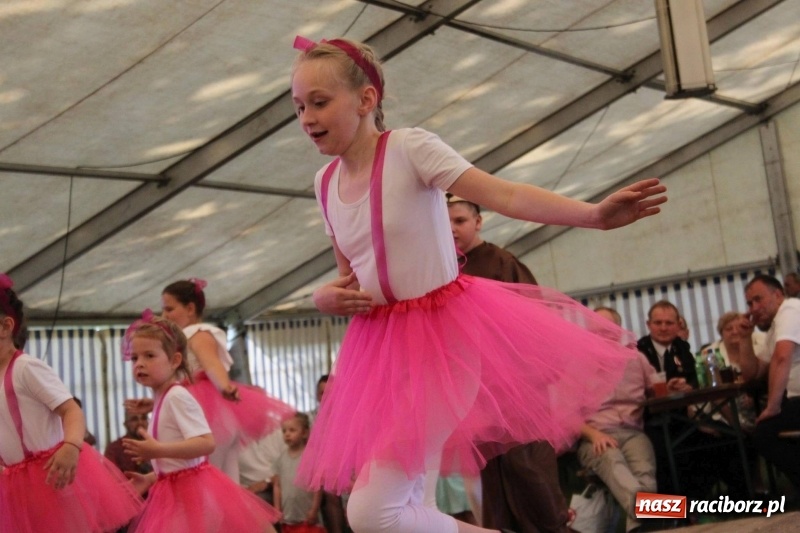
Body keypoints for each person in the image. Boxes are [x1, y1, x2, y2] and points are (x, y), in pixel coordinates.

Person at [290, 35, 666, 533]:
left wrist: (593, 215)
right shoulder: (324, 184)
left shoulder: (409, 148)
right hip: (380, 354)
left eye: (319, 102)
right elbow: (352, 280)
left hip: (443, 345)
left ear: (366, 99)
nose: (307, 118)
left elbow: (505, 193)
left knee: (372, 513)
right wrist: (323, 296)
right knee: (408, 509)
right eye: (298, 107)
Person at [448, 194, 572, 533]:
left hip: (519, 387)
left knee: (529, 472)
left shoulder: (503, 262)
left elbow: (536, 320)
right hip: (478, 391)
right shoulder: (445, 269)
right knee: (494, 479)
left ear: (478, 222)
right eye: (445, 222)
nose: (452, 229)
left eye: (459, 220)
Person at [0, 273, 143, 533]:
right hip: (14, 484)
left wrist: (71, 446)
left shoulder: (26, 368)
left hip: (52, 477)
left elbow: (71, 409)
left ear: (5, 327)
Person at [121, 311, 279, 533]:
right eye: (135, 358)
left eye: (149, 355)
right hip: (174, 492)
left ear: (175, 360)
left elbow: (206, 443)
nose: (140, 364)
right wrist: (151, 476)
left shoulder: (177, 396)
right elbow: (179, 463)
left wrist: (158, 450)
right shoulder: (162, 398)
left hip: (191, 496)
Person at [160, 278, 294, 481]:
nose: (164, 316)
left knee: (207, 479)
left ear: (190, 308)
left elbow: (212, 364)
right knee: (227, 481)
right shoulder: (188, 337)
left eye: (169, 309)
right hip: (216, 414)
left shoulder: (197, 334)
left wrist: (224, 387)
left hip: (207, 413)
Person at [580, 307, 658, 533]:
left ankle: (639, 526)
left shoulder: (637, 359)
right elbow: (565, 418)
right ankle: (657, 514)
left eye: (608, 328)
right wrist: (594, 435)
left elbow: (656, 388)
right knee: (613, 462)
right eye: (597, 328)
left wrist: (670, 387)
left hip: (633, 431)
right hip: (595, 435)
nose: (603, 333)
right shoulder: (578, 364)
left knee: (644, 471)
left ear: (619, 330)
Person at [736, 274, 800, 490]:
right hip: (794, 400)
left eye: (758, 299)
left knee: (764, 434)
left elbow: (782, 357)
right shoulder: (774, 327)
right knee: (763, 433)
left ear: (778, 295)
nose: (753, 308)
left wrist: (772, 406)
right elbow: (752, 374)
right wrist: (745, 338)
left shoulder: (790, 310)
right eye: (749, 303)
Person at [273, 412, 323, 531]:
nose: (287, 434)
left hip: (307, 516)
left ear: (305, 433)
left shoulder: (311, 456)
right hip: (288, 518)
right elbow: (277, 486)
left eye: (292, 430)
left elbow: (317, 485)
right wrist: (277, 509)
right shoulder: (280, 459)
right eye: (284, 431)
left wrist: (314, 509)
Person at [104, 406, 154, 476]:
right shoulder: (115, 448)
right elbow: (111, 477)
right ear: (126, 424)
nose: (140, 422)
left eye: (143, 418)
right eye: (134, 419)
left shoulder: (155, 445)